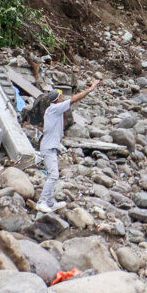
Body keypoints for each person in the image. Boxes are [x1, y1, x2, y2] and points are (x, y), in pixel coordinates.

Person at [35, 79, 100, 213]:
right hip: (48, 147)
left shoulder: (53, 110)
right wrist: (90, 89)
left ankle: (51, 202)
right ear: (58, 99)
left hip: (50, 146)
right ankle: (41, 202)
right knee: (53, 175)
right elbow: (74, 99)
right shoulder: (55, 108)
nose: (64, 98)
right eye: (62, 96)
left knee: (53, 175)